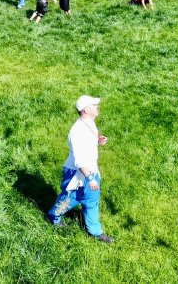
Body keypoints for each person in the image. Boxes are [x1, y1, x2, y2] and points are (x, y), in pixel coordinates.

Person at [47, 95, 114, 243]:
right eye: (94, 105)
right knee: (69, 200)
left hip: (91, 170)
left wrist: (98, 139)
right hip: (77, 174)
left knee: (92, 201)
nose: (97, 107)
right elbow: (79, 160)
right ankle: (54, 216)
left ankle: (95, 232)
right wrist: (90, 178)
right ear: (85, 110)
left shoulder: (89, 123)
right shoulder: (77, 131)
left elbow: (89, 139)